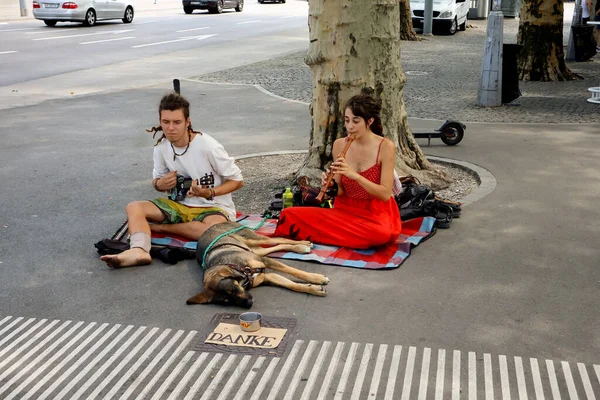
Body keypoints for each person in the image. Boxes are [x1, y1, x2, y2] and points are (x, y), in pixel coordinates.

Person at [101, 93, 244, 268]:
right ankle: (139, 250)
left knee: (212, 231)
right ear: (160, 121)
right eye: (166, 122)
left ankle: (158, 228)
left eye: (177, 122)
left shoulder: (208, 146)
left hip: (213, 208)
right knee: (134, 207)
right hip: (180, 205)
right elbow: (157, 181)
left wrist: (210, 192)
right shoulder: (161, 148)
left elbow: (237, 180)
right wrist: (159, 184)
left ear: (187, 122)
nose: (170, 128)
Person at [273, 91, 401, 249]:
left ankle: (326, 236)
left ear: (370, 121)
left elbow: (385, 194)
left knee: (380, 233)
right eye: (347, 121)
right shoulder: (339, 145)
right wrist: (331, 185)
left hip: (375, 214)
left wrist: (355, 176)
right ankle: (346, 238)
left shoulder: (385, 147)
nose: (350, 126)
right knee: (289, 215)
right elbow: (340, 192)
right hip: (345, 211)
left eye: (356, 121)